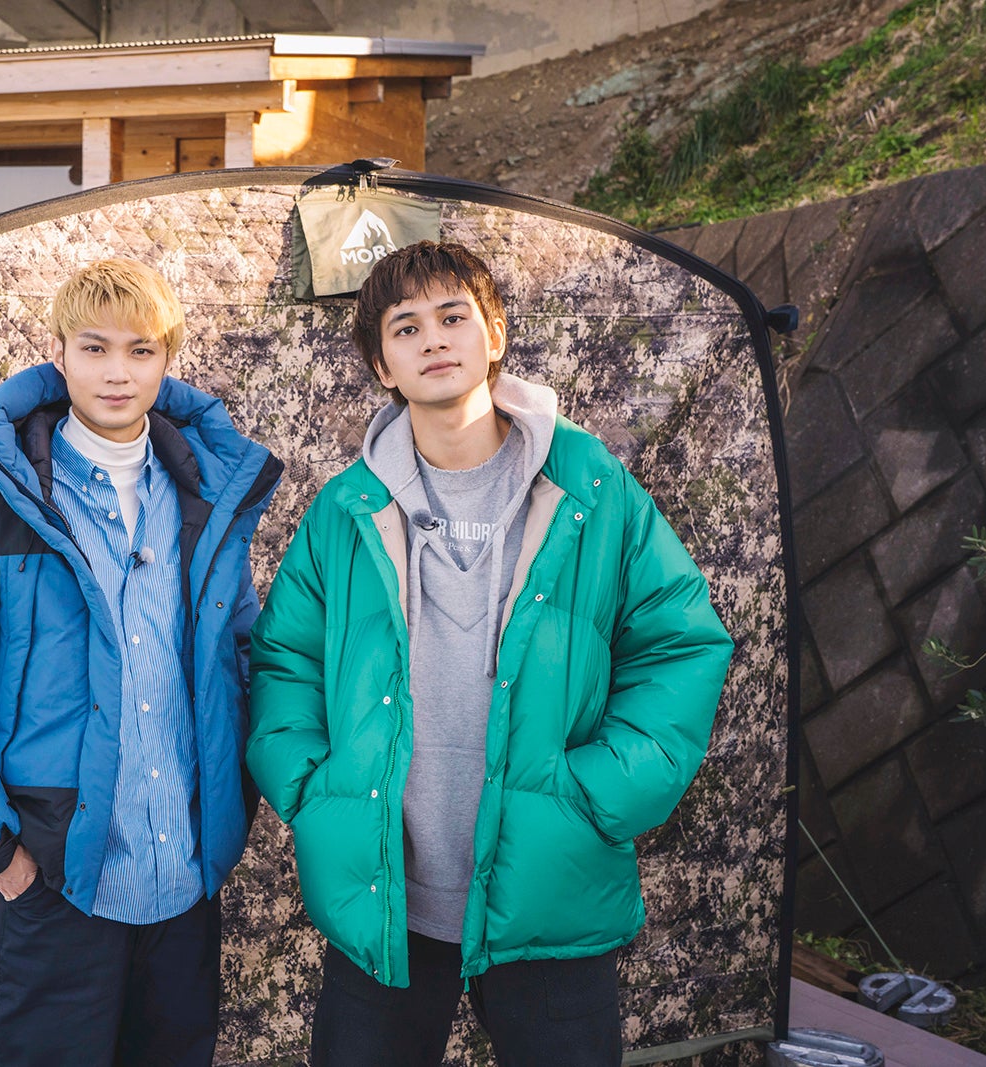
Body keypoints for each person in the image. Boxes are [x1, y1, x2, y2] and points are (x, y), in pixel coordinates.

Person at [245, 240, 733, 1066]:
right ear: (381, 364)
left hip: (551, 889)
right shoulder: (345, 508)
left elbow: (679, 641)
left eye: (452, 316)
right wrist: (317, 790)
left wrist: (597, 796)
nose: (433, 339)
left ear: (495, 332)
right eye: (406, 328)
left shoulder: (589, 484)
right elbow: (284, 660)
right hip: (386, 895)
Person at [0, 257, 282, 1066]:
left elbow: (244, 655)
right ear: (58, 354)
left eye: (141, 350)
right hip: (55, 880)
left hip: (185, 883)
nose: (117, 372)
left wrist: (235, 808)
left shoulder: (207, 501)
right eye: (94, 348)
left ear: (168, 361)